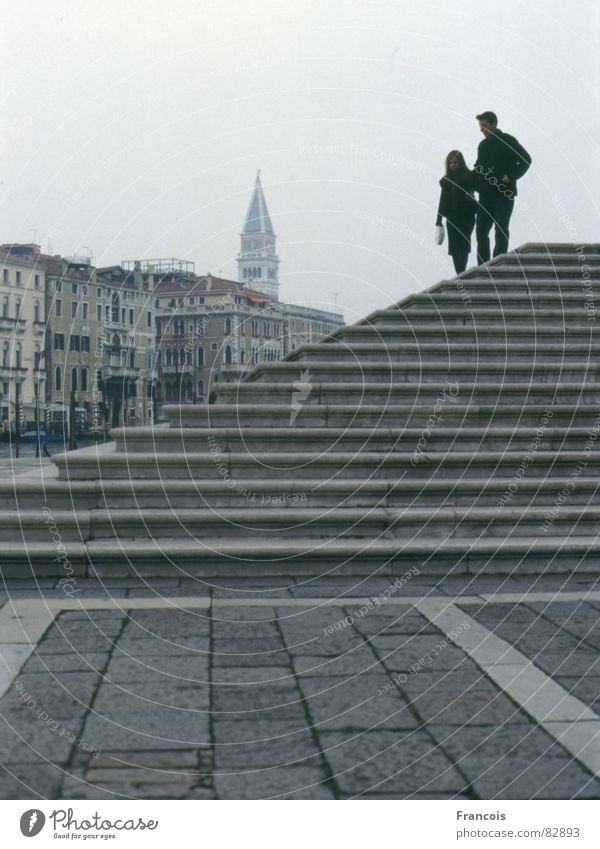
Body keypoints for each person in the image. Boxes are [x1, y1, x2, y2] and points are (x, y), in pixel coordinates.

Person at [474, 111, 531, 263]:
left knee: (501, 229)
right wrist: (469, 186)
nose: (481, 129)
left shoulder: (508, 140)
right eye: (480, 126)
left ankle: (499, 263)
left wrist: (511, 176)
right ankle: (483, 266)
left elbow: (526, 159)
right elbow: (478, 168)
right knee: (480, 231)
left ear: (494, 124)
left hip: (503, 194)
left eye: (484, 126)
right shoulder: (483, 145)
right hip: (485, 196)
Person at [436, 150, 477, 274]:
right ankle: (459, 273)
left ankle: (462, 272)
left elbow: (474, 194)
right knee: (454, 246)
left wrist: (471, 198)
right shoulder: (446, 181)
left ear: (460, 163)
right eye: (450, 163)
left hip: (467, 216)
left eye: (455, 162)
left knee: (463, 243)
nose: (453, 165)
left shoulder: (468, 177)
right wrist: (438, 221)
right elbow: (442, 201)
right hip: (452, 217)